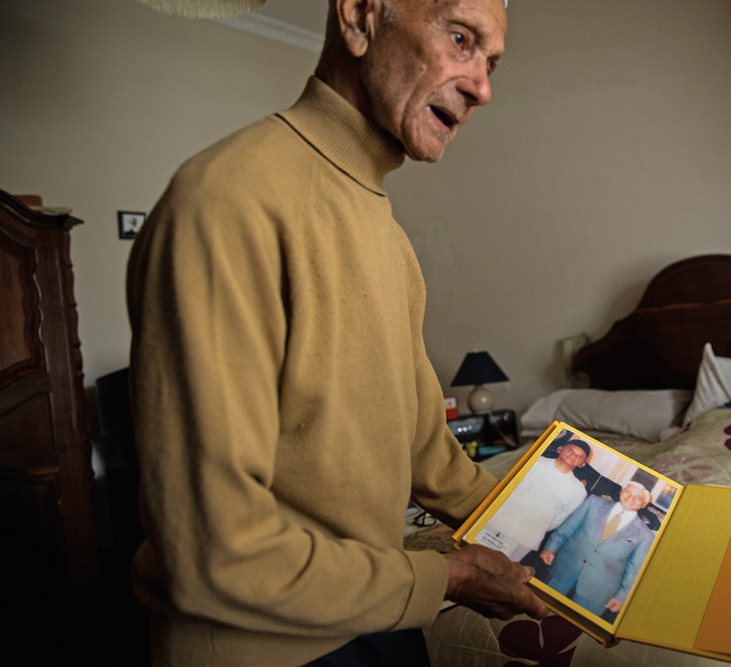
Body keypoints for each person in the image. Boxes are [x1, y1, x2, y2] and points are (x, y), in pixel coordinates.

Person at [126, 1, 546, 665]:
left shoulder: (391, 239)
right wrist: (450, 577)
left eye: (491, 63)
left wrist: (567, 521)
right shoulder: (223, 202)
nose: (483, 87)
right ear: (359, 17)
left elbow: (428, 457)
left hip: (381, 622)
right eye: (461, 39)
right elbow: (214, 549)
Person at [538, 481, 655, 620]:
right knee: (538, 607)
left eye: (638, 497)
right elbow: (569, 526)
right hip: (565, 567)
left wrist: (622, 596)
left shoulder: (645, 535)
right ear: (621, 492)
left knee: (572, 628)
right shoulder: (594, 503)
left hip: (599, 589)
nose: (631, 498)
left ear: (643, 505)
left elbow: (634, 569)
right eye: (628, 492)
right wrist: (550, 547)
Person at [477, 435, 590, 562]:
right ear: (560, 449)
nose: (573, 456)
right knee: (472, 550)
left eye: (579, 456)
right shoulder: (535, 462)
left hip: (528, 533)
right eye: (571, 450)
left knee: (501, 568)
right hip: (497, 517)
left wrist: (536, 524)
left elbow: (559, 519)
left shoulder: (578, 491)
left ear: (582, 464)